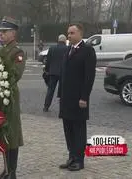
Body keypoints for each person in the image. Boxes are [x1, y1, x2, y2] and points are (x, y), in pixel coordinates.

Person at [57, 23, 97, 171]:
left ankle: (79, 160)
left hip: (79, 99)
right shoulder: (68, 50)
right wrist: (60, 93)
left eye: (72, 33)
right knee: (68, 129)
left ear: (80, 33)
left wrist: (84, 97)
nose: (69, 36)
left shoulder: (87, 51)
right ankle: (71, 156)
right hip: (66, 98)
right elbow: (63, 74)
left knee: (78, 130)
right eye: (68, 33)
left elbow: (89, 77)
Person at [0, 16, 26, 179]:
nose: (1, 34)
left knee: (12, 134)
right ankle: (6, 170)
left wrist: (1, 78)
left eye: (4, 32)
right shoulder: (1, 50)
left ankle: (12, 172)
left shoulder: (17, 52)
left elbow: (16, 74)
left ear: (13, 33)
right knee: (2, 134)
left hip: (10, 98)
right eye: (1, 32)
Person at [43, 34, 68, 112]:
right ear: (65, 40)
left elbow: (48, 61)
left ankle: (46, 106)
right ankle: (63, 108)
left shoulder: (52, 48)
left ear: (58, 40)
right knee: (63, 91)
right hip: (64, 73)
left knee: (50, 90)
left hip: (53, 72)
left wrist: (47, 70)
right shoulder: (67, 49)